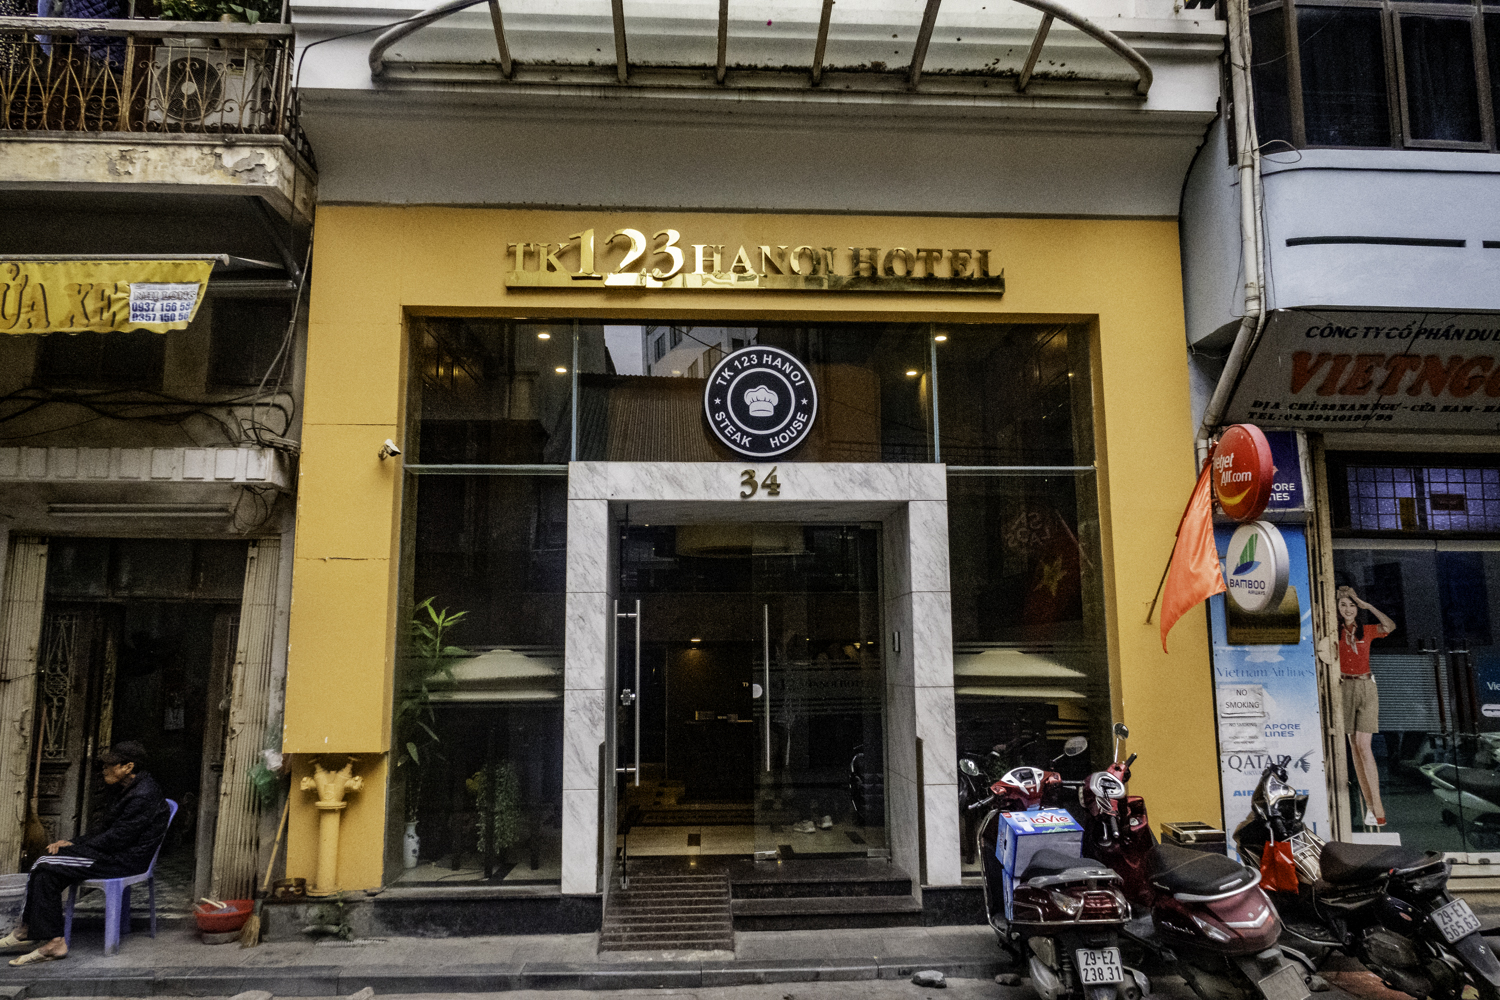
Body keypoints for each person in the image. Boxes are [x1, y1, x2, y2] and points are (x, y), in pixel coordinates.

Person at [0, 741, 169, 965]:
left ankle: (30, 931)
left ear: (128, 767)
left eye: (110, 765)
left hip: (124, 860)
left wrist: (74, 849)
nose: (104, 769)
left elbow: (116, 839)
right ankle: (44, 937)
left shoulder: (143, 795)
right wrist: (72, 843)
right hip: (113, 853)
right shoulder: (126, 789)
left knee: (44, 862)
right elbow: (104, 829)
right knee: (47, 871)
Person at [1337, 586, 1396, 829]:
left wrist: (1368, 605)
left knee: (1363, 745)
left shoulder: (1367, 630)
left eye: (1351, 605)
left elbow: (1390, 626)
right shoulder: (1333, 631)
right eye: (1343, 605)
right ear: (1337, 608)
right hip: (1344, 687)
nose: (1348, 609)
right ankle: (1369, 807)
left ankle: (1378, 807)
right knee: (1354, 745)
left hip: (1367, 687)